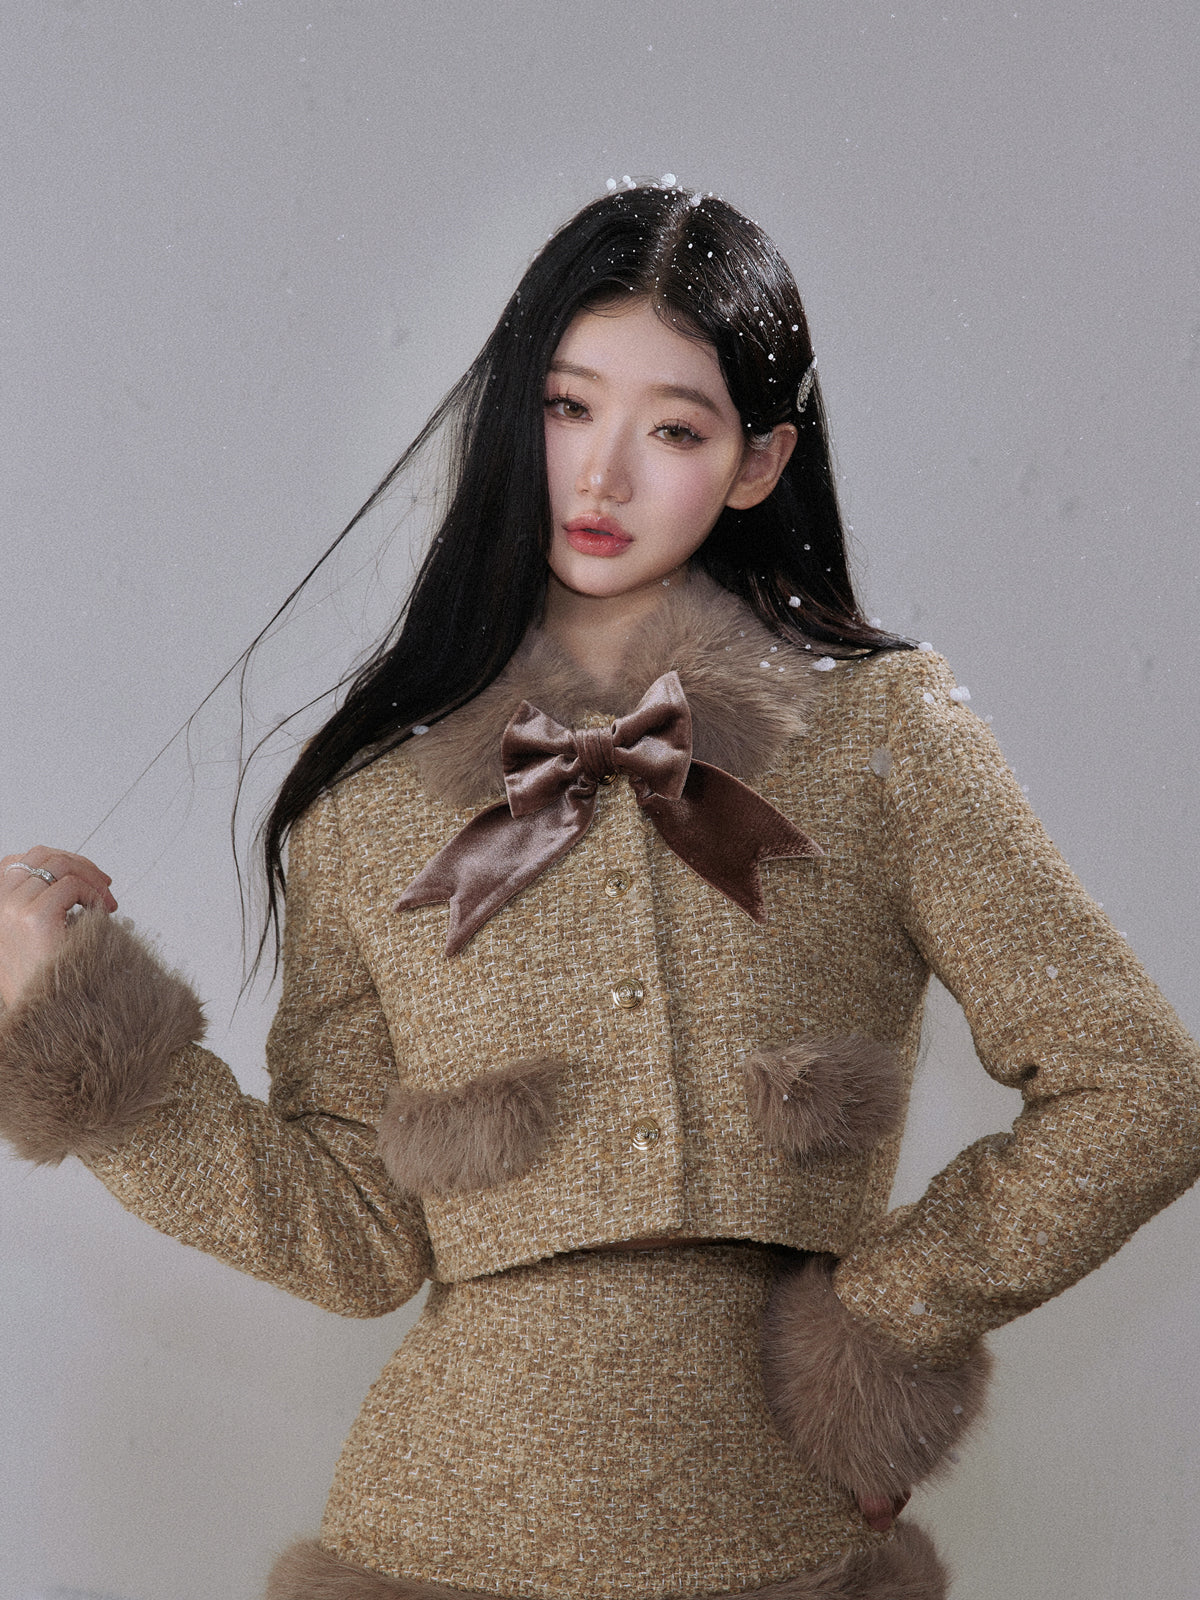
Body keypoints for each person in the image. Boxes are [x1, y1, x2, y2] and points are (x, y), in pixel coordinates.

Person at [1, 184, 1198, 1600]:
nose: (603, 475)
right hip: (428, 1539)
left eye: (675, 429)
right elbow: (356, 1240)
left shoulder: (882, 741)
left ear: (760, 462)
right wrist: (85, 1041)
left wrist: (886, 1322)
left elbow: (1140, 1087)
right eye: (568, 406)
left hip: (776, 1541)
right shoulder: (370, 807)